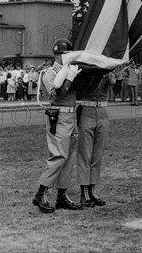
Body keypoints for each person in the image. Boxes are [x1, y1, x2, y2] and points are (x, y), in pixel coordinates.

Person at [33, 38, 82, 214]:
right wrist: (69, 79)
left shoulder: (71, 71)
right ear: (59, 55)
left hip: (71, 115)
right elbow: (56, 96)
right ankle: (41, 192)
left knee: (69, 157)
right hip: (59, 115)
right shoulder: (49, 73)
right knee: (59, 155)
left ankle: (62, 195)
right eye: (65, 54)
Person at [76, 72, 110, 207]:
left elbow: (117, 90)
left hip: (102, 110)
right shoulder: (84, 71)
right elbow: (84, 89)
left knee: (98, 155)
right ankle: (84, 193)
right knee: (85, 154)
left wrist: (117, 78)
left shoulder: (106, 71)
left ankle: (92, 191)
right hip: (87, 109)